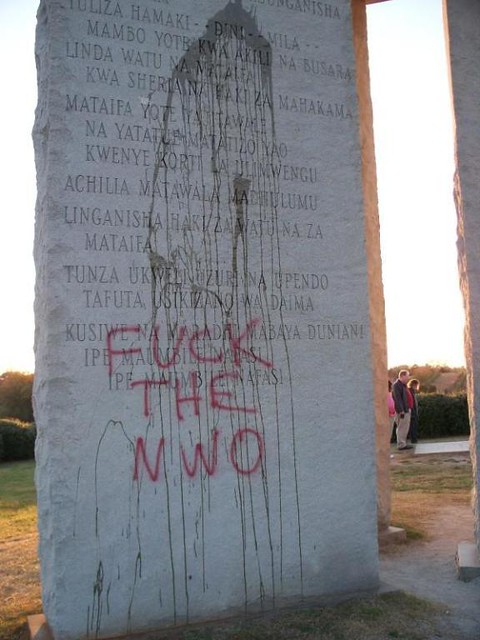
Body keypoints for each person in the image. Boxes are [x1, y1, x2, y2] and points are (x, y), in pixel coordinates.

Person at [392, 370, 413, 450]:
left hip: (406, 409)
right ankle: (401, 444)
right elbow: (398, 399)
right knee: (402, 427)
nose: (408, 378)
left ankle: (402, 443)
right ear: (402, 376)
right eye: (407, 376)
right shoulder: (397, 385)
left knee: (404, 427)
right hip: (402, 411)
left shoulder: (403, 385)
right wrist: (401, 411)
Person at [407, 378, 420, 443]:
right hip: (412, 412)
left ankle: (414, 439)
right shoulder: (410, 391)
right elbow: (410, 403)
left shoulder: (412, 392)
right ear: (413, 385)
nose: (417, 387)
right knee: (412, 427)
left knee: (414, 426)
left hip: (414, 412)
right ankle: (413, 440)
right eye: (416, 385)